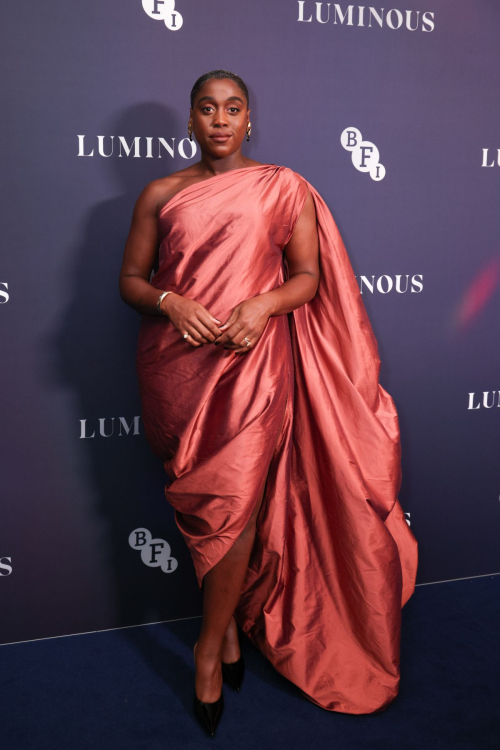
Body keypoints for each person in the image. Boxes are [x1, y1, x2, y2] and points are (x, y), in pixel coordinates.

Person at [119, 69, 418, 737]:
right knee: (207, 510)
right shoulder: (160, 193)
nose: (220, 119)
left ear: (248, 119)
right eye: (206, 108)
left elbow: (308, 276)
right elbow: (132, 281)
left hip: (254, 364)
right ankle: (227, 634)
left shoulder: (283, 187)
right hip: (176, 369)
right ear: (190, 120)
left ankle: (206, 647)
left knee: (238, 501)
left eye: (233, 108)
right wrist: (169, 300)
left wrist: (263, 303)